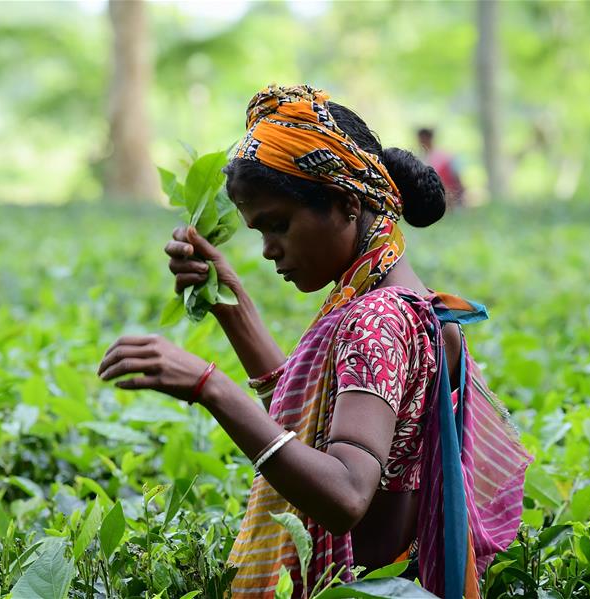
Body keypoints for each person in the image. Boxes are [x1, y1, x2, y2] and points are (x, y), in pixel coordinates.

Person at [97, 85, 530, 598]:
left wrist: (210, 386)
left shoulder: (376, 321)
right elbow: (314, 430)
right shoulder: (418, 306)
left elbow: (345, 493)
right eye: (258, 231)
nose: (267, 250)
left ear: (346, 203)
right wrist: (229, 301)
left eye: (277, 225)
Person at [417, 127, 466, 208]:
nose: (422, 141)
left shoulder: (444, 156)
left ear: (430, 138)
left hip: (448, 196)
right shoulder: (420, 158)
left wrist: (461, 194)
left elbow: (456, 177)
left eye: (424, 138)